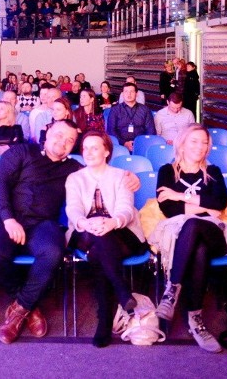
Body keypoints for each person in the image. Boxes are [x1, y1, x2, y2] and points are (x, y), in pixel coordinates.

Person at [0, 120, 82, 344]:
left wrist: (128, 178)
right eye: (58, 135)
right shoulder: (22, 151)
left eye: (69, 140)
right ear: (46, 135)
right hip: (4, 218)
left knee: (53, 251)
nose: (62, 142)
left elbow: (101, 177)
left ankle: (19, 311)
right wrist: (8, 219)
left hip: (42, 224)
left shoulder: (73, 169)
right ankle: (31, 306)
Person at [152, 124, 227, 353]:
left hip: (215, 233)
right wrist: (203, 204)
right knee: (199, 249)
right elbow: (168, 209)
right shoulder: (167, 171)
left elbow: (220, 205)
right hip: (180, 236)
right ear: (182, 143)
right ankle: (196, 320)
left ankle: (171, 290)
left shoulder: (213, 171)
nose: (200, 146)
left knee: (195, 226)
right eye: (194, 141)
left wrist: (179, 195)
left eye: (204, 142)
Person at [65, 131, 146, 348]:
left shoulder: (122, 176)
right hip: (85, 230)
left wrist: (112, 222)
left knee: (101, 247)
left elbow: (126, 209)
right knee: (100, 242)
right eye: (85, 148)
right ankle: (121, 291)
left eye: (94, 147)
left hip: (120, 230)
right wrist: (84, 222)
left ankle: (105, 319)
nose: (88, 152)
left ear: (106, 151)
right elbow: (72, 208)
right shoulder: (75, 178)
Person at [106, 82, 155, 152]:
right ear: (122, 94)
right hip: (119, 146)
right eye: (126, 91)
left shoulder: (145, 110)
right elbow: (111, 130)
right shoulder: (115, 110)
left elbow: (151, 131)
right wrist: (124, 143)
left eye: (132, 91)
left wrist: (140, 143)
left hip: (141, 145)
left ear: (136, 94)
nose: (129, 94)